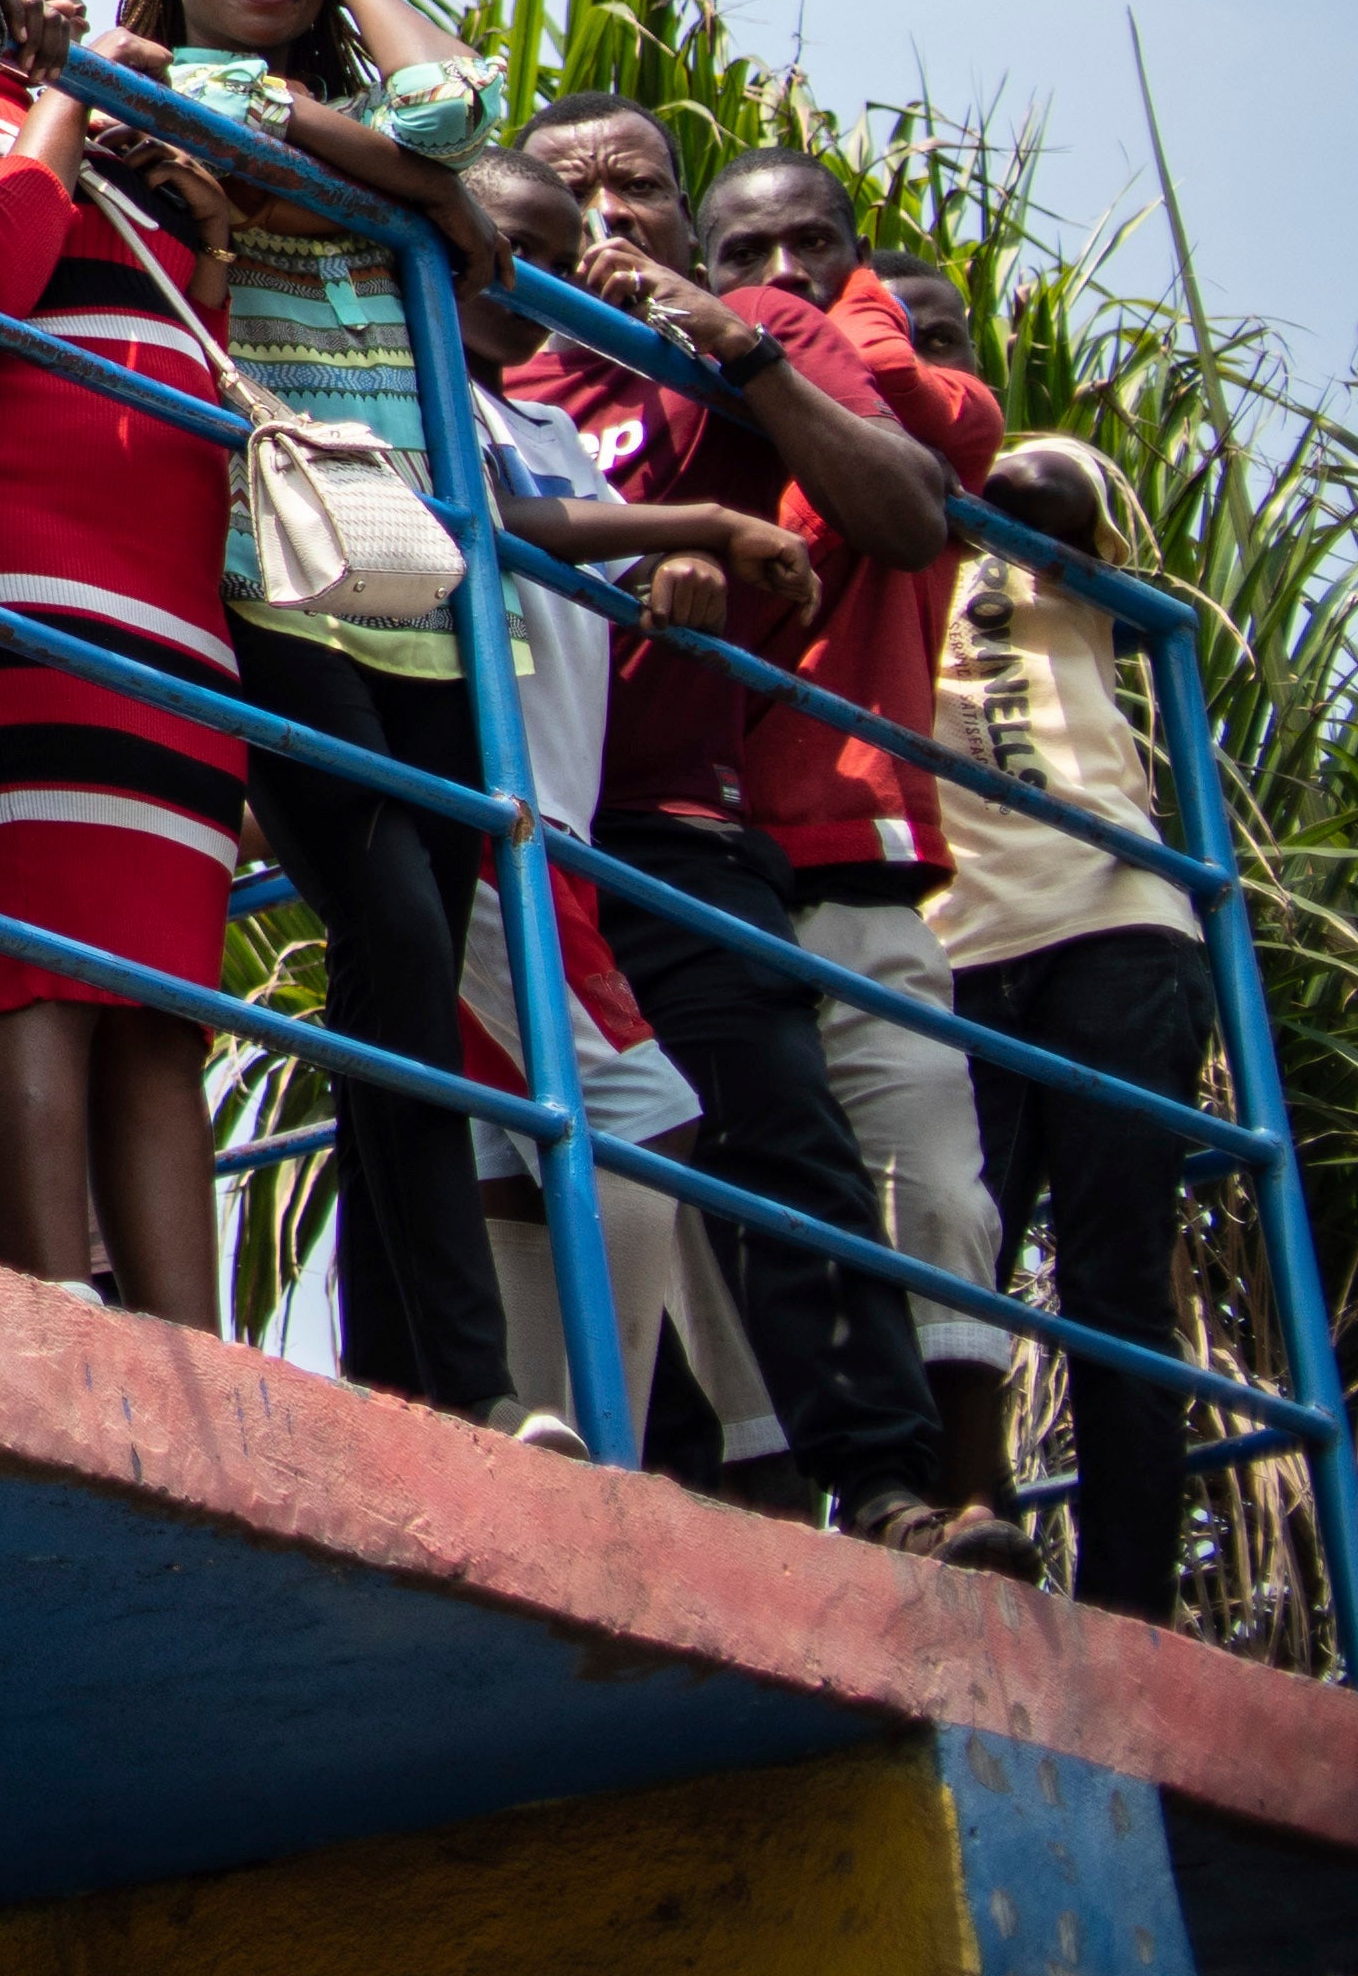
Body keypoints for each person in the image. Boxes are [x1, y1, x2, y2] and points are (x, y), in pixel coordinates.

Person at [521, 95, 995, 1552]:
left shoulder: (742, 336)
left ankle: (893, 1489)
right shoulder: (482, 350)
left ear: (680, 216)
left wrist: (720, 335)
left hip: (672, 820)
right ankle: (642, 1492)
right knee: (543, 1161)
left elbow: (907, 512)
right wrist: (684, 537)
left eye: (640, 197)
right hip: (514, 814)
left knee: (782, 1142)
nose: (607, 229)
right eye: (568, 202)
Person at [109, 0, 514, 1421]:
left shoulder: (321, 76)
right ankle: (450, 1380)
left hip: (415, 579)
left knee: (414, 980)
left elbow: (454, 120)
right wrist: (429, 200)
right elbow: (412, 165)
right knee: (394, 938)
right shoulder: (160, 83)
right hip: (270, 562)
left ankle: (417, 1365)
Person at [0, 59, 250, 1314]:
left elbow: (202, 370)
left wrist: (214, 242)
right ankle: (51, 1315)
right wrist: (75, 97)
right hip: (11, 568)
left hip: (177, 608)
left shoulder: (150, 164)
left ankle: (200, 1354)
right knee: (28, 958)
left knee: (161, 994)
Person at [695, 138, 1023, 1521]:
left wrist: (813, 328)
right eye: (744, 259)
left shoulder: (895, 389)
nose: (781, 277)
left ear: (857, 256)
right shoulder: (666, 400)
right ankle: (785, 1511)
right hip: (700, 855)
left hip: (861, 860)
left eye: (813, 248)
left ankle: (965, 1510)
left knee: (934, 1192)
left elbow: (942, 447)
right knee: (739, 1206)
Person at [938, 433, 1217, 1616]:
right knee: (956, 1272)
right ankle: (975, 1543)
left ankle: (1131, 1608)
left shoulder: (1018, 474)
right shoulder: (847, 521)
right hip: (952, 944)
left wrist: (905, 430)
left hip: (1108, 918)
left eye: (931, 333)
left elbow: (1043, 492)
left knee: (1114, 1291)